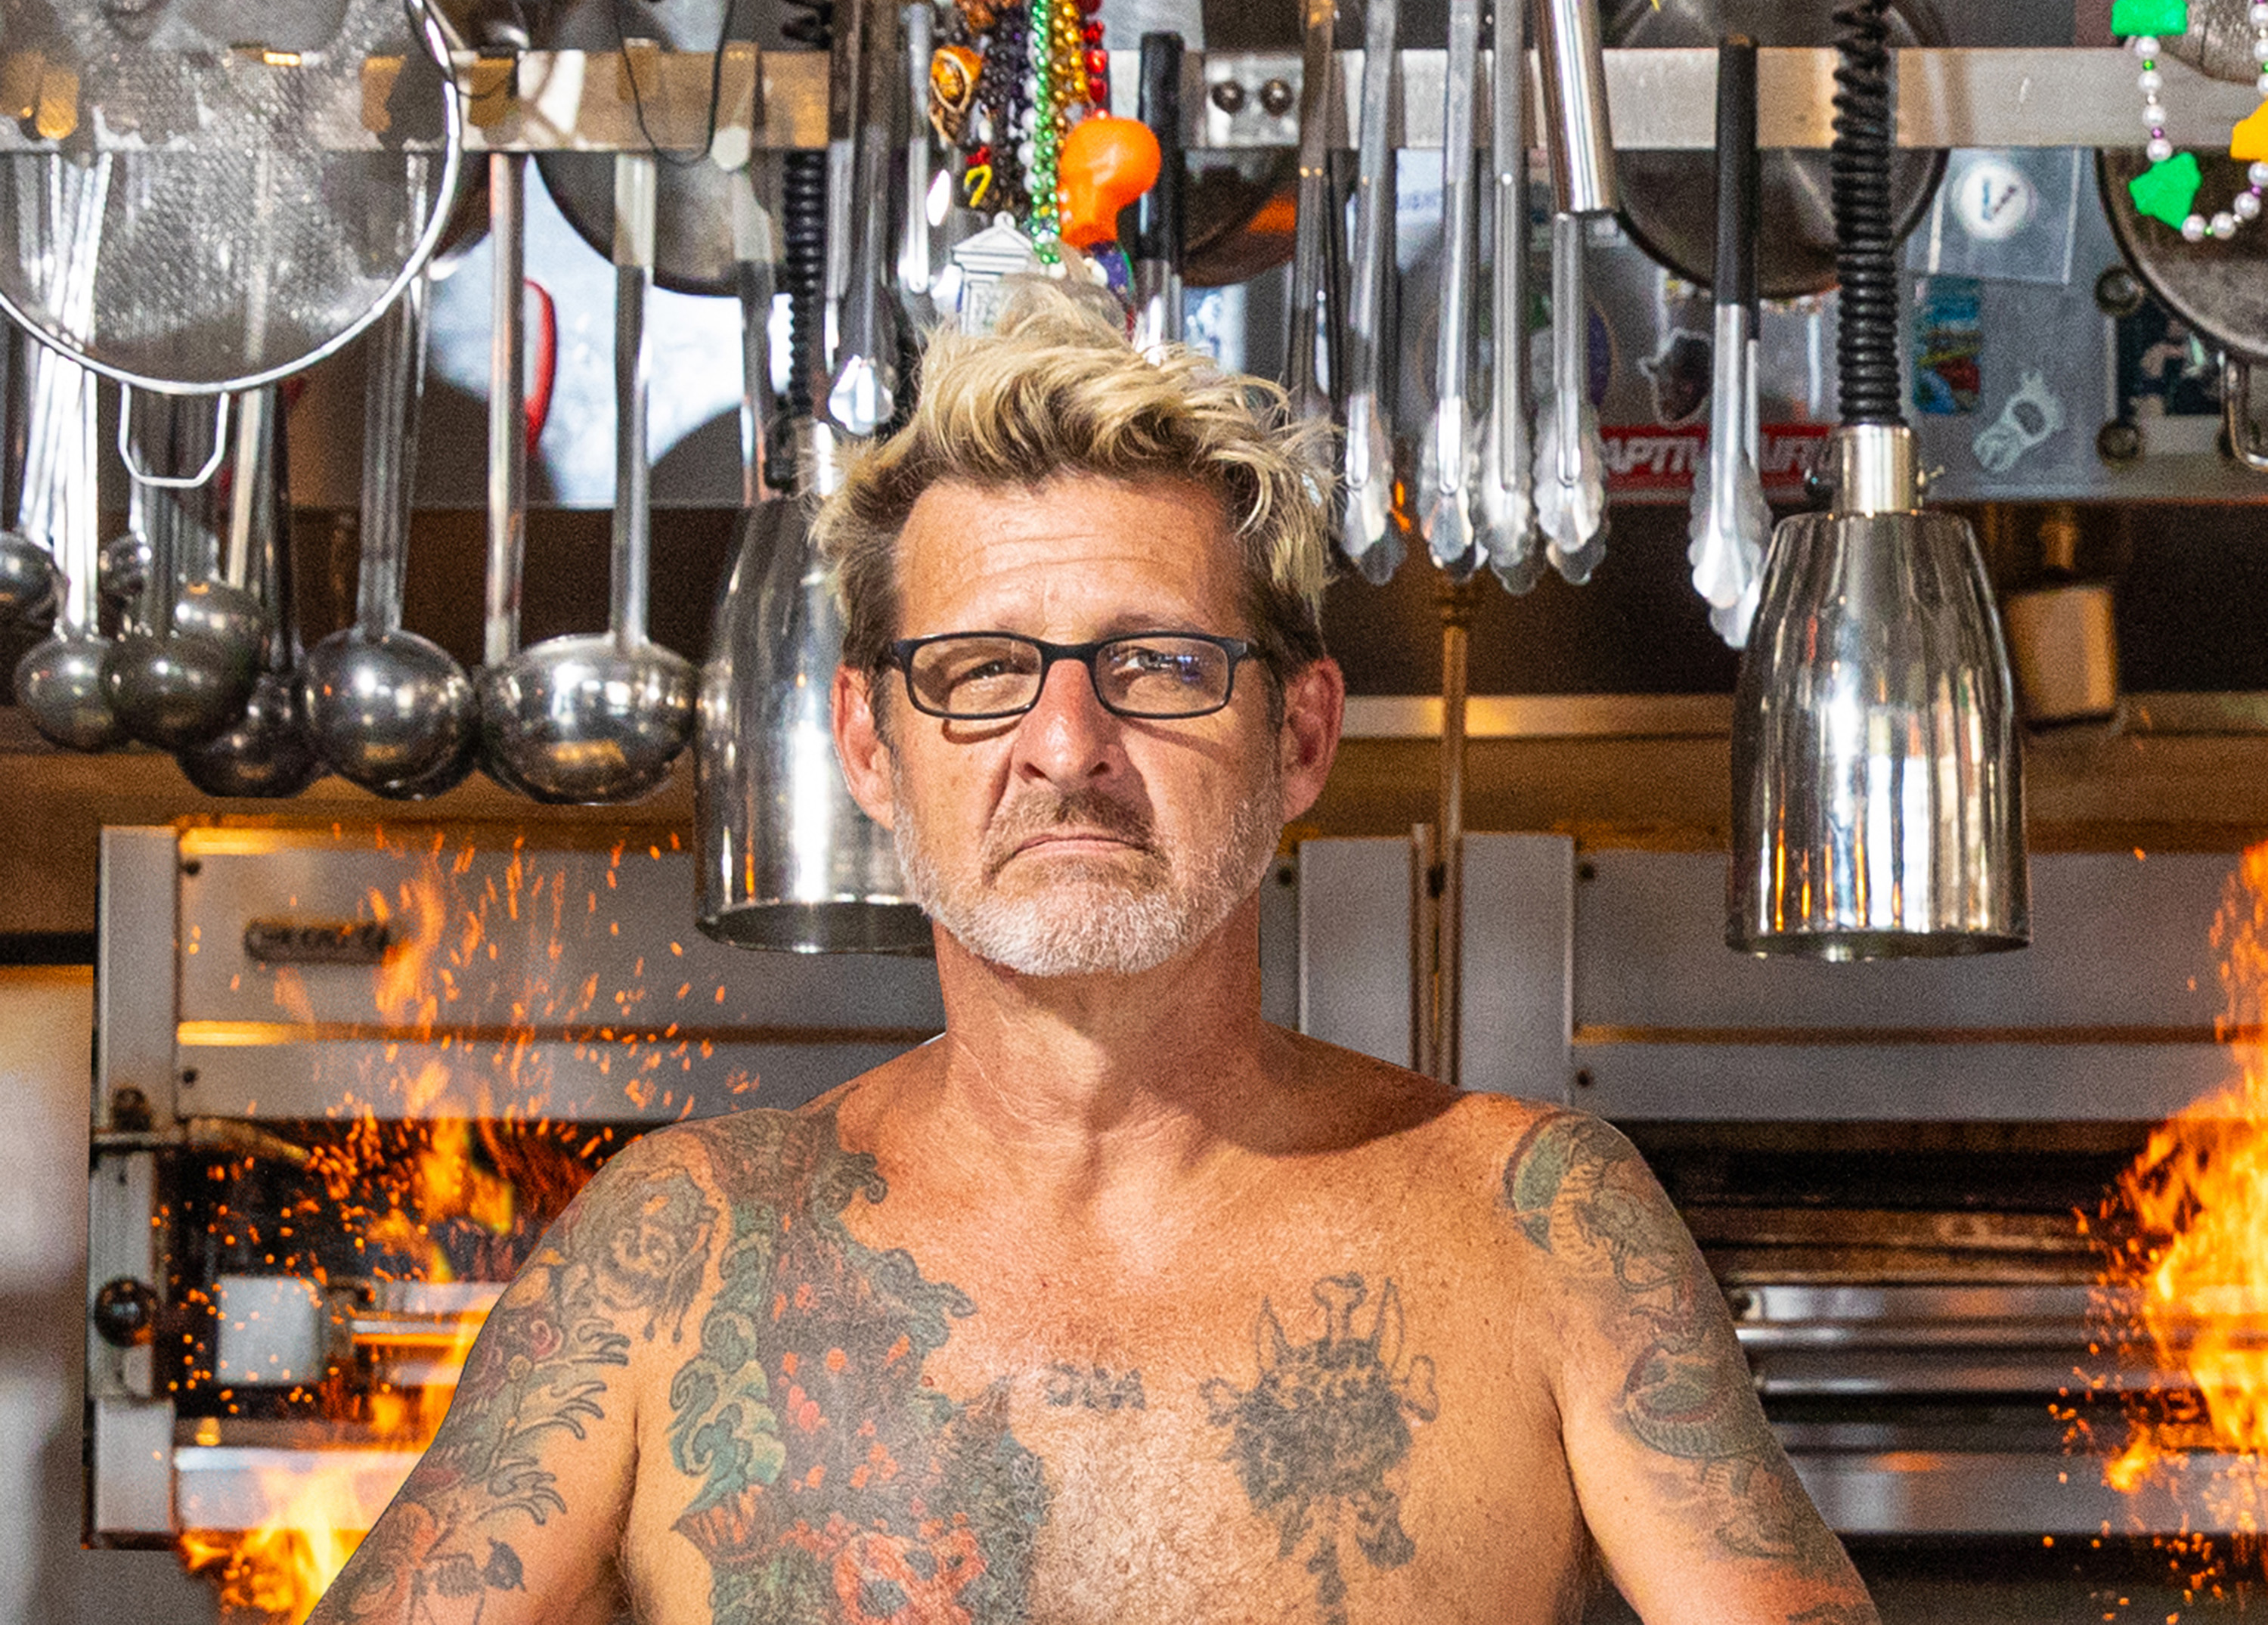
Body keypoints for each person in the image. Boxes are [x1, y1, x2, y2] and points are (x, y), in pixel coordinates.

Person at [308, 286, 1879, 1625]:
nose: (1067, 744)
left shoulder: (1538, 1222)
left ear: (1301, 735)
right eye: (984, 670)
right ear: (871, 742)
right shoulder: (682, 1248)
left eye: (1156, 665)